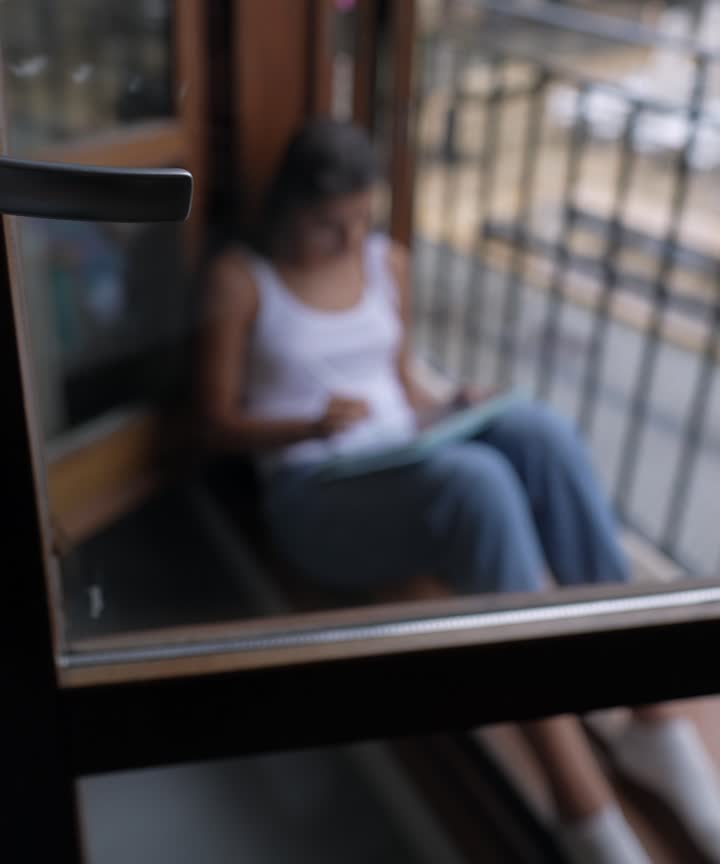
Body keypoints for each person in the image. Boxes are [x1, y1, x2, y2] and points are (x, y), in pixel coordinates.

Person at [205, 117, 720, 864]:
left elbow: (399, 386)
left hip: (404, 460)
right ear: (287, 210)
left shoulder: (388, 263)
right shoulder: (241, 280)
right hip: (314, 492)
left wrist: (451, 408)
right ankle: (580, 803)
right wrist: (306, 426)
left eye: (361, 221)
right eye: (328, 227)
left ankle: (653, 721)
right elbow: (212, 427)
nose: (351, 243)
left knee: (538, 434)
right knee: (476, 486)